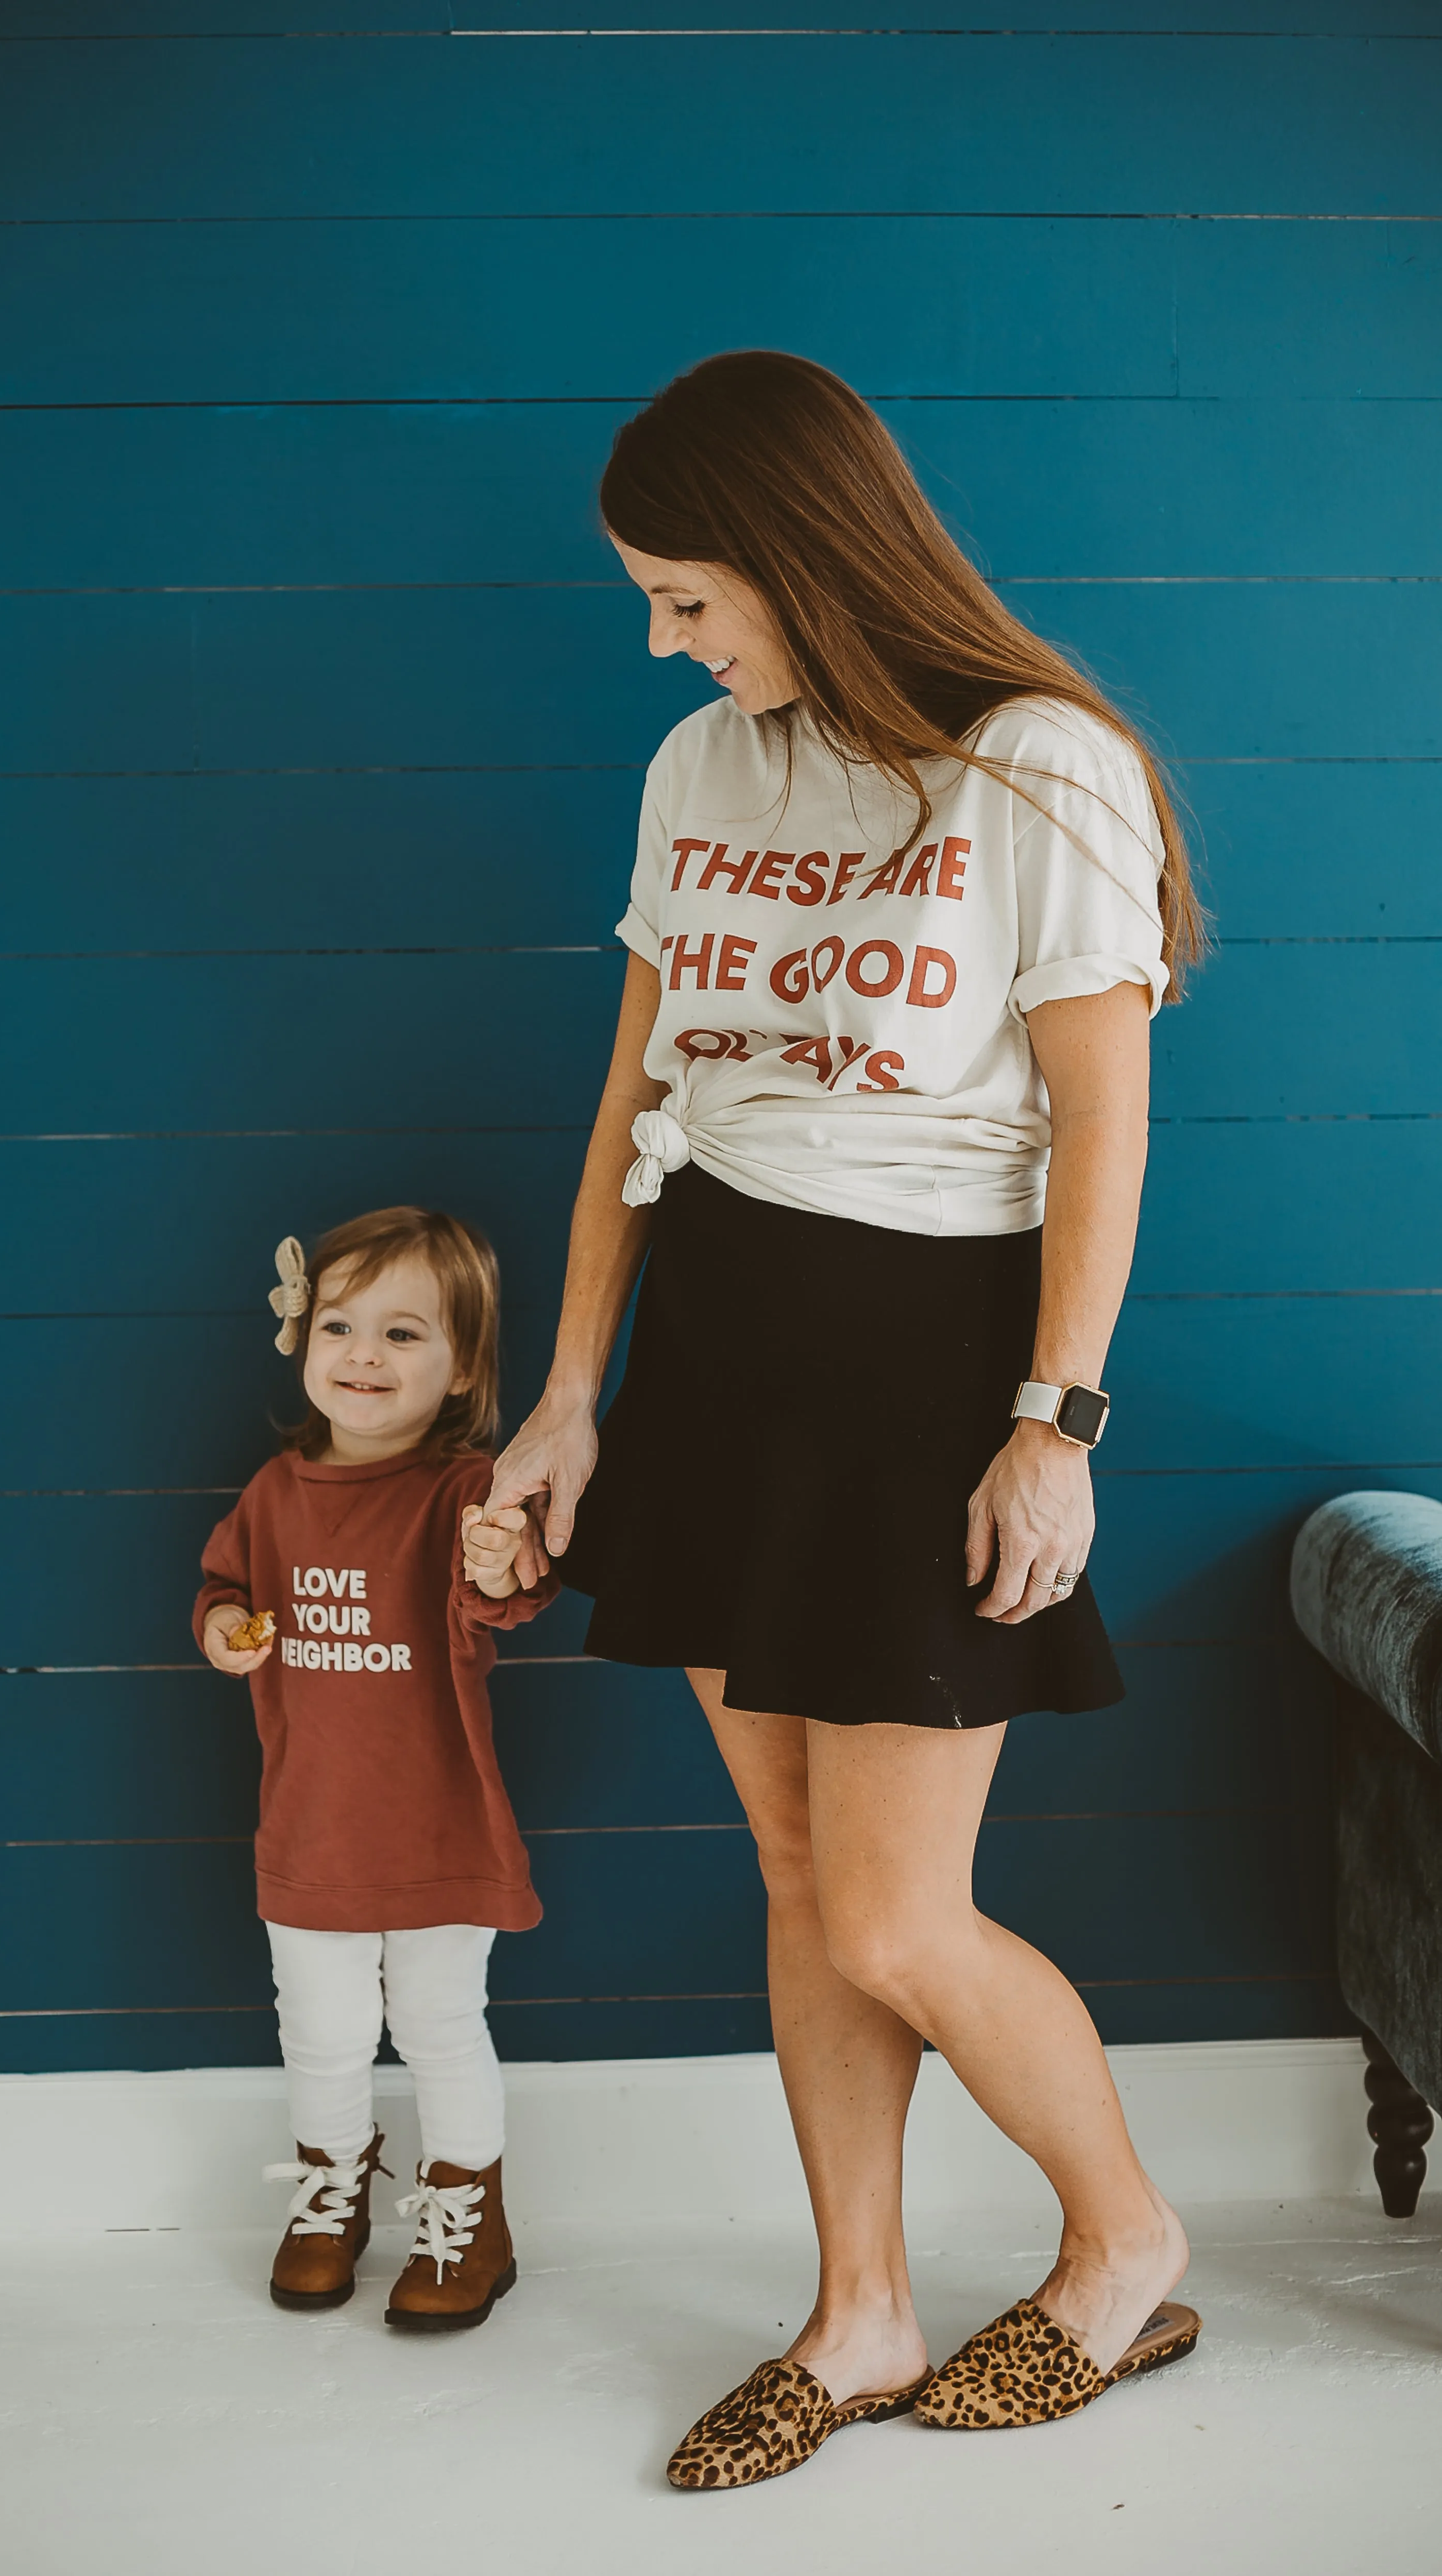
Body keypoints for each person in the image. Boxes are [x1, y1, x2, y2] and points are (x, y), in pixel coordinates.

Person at [486, 350, 1208, 2481]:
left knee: (897, 1907)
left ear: (801, 560)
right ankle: (860, 2312)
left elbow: (1100, 1118)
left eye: (686, 595)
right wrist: (564, 1400)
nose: (662, 639)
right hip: (712, 1359)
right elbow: (636, 1098)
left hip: (924, 1384)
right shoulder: (699, 767)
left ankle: (1122, 2241)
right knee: (801, 1880)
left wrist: (1052, 1420)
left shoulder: (1037, 765)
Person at [194, 1205, 552, 2333]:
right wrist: (226, 1628)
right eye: (341, 1324)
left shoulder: (463, 1493)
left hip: (439, 1828)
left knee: (444, 2023)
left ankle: (467, 2214)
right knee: (321, 2030)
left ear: (460, 1370)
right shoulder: (276, 1490)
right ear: (301, 1339)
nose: (362, 1354)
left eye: (405, 1335)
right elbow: (223, 1587)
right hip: (311, 1830)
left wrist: (500, 1554)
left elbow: (504, 1589)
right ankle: (330, 2196)